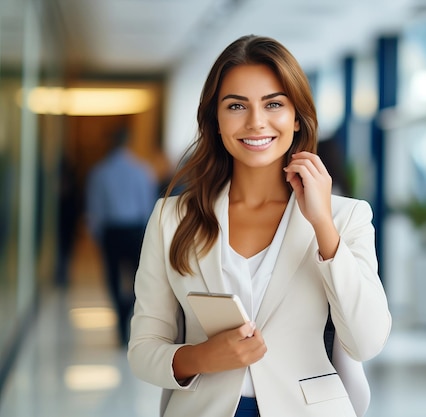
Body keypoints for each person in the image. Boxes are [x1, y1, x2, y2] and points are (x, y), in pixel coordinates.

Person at [127, 35, 392, 417]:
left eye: (274, 104)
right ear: (215, 120)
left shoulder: (344, 217)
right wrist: (201, 356)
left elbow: (367, 341)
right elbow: (143, 350)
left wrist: (322, 226)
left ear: (296, 117)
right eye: (236, 105)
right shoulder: (173, 217)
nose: (256, 122)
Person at [86, 127, 158, 345]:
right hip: (135, 230)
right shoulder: (141, 170)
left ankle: (120, 315)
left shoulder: (99, 171)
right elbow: (147, 205)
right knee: (140, 279)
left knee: (113, 277)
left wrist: (97, 235)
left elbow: (94, 209)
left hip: (112, 231)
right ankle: (128, 312)